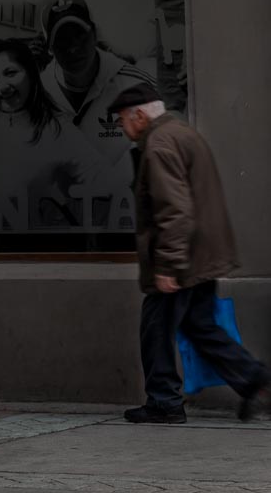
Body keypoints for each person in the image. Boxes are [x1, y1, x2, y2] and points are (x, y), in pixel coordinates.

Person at [109, 84, 271, 423]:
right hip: (201, 254)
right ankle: (255, 381)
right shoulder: (182, 133)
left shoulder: (158, 144)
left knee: (156, 329)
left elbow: (174, 210)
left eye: (123, 119)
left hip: (180, 259)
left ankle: (164, 402)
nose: (122, 127)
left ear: (139, 116)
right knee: (200, 326)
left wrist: (168, 265)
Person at [38, 0, 154, 202]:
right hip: (58, 215)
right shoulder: (38, 92)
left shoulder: (134, 84)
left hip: (119, 212)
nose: (74, 48)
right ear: (50, 48)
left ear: (94, 34)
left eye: (80, 35)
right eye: (62, 40)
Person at [0, 40, 97, 227]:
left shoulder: (56, 127)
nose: (2, 87)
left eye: (10, 73)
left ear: (30, 74)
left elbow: (100, 175)